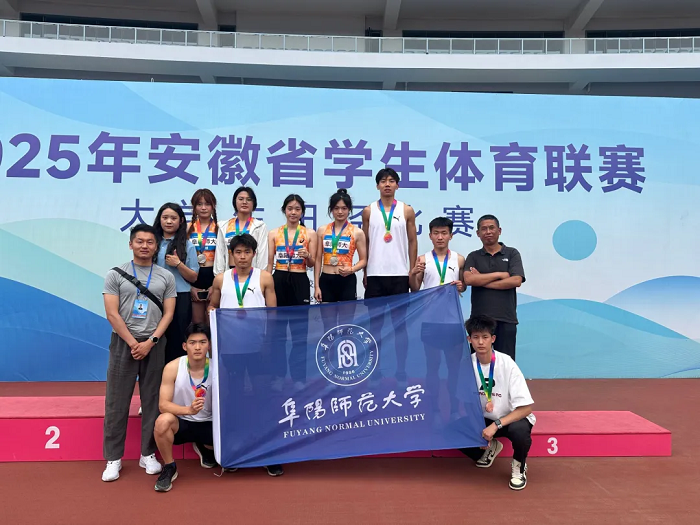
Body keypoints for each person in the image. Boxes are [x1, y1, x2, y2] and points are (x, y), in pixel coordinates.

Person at [101, 224, 176, 482]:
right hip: (125, 343)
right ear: (131, 244)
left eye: (150, 242)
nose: (145, 246)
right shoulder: (115, 274)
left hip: (154, 344)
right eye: (140, 241)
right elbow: (112, 313)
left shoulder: (165, 277)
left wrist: (151, 341)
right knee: (117, 401)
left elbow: (169, 313)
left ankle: (148, 453)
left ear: (156, 247)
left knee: (152, 400)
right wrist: (134, 343)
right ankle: (113, 458)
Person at [208, 233, 284, 477]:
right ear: (231, 255)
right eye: (238, 252)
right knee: (234, 399)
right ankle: (234, 452)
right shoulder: (221, 279)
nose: (242, 257)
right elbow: (213, 307)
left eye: (247, 252)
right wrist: (211, 311)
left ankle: (269, 453)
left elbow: (273, 313)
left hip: (258, 349)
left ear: (254, 254)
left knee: (263, 397)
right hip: (231, 349)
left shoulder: (265, 277)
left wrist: (268, 342)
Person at [460, 315, 535, 491]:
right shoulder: (466, 365)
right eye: (476, 337)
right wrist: (474, 429)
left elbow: (526, 408)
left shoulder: (507, 363)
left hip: (509, 419)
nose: (480, 342)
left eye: (485, 337)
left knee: (519, 431)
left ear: (493, 339)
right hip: (484, 419)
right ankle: (489, 449)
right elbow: (464, 402)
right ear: (469, 340)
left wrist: (496, 425)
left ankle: (519, 467)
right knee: (451, 427)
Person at [361, 167, 417, 386]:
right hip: (375, 275)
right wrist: (365, 271)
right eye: (383, 181)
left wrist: (412, 269)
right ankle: (374, 369)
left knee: (399, 327)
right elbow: (365, 242)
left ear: (397, 185)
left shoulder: (406, 210)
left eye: (391, 181)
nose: (387, 184)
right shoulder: (368, 211)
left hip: (399, 275)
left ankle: (401, 370)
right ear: (377, 185)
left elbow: (412, 241)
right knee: (374, 327)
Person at [408, 217, 465, 422]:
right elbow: (415, 288)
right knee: (432, 367)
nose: (440, 237)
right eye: (436, 233)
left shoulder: (459, 259)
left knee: (454, 369)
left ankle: (454, 409)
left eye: (444, 233)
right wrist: (413, 274)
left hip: (453, 322)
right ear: (430, 235)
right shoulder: (423, 259)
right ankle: (434, 409)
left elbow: (463, 285)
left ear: (451, 235)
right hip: (431, 322)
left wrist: (462, 286)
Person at [153, 323, 216, 492]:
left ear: (209, 345)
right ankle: (169, 467)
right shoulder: (173, 367)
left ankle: (206, 447)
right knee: (162, 421)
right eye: (192, 342)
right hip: (183, 423)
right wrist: (189, 410)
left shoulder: (218, 367)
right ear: (184, 346)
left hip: (210, 423)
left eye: (203, 342)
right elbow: (163, 405)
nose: (198, 347)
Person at [267, 194, 317, 392]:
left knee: (299, 333)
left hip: (300, 279)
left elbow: (313, 263)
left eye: (297, 209)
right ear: (284, 210)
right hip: (279, 278)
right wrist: (266, 284)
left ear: (302, 212)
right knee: (278, 333)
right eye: (290, 208)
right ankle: (278, 376)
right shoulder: (274, 233)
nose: (293, 212)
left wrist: (308, 256)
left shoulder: (310, 233)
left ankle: (298, 377)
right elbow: (269, 263)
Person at [462, 215, 525, 361]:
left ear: (499, 230)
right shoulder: (473, 256)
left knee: (506, 363)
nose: (488, 232)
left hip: (506, 319)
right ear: (478, 233)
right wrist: (500, 274)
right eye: (484, 229)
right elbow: (469, 279)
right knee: (478, 363)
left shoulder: (512, 253)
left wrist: (481, 280)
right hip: (479, 321)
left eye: (492, 228)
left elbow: (516, 280)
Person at [154, 203, 200, 364]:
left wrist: (178, 264)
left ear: (180, 221)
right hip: (155, 296)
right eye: (165, 217)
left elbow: (193, 277)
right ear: (159, 219)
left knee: (177, 339)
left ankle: (176, 374)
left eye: (173, 218)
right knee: (155, 337)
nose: (169, 221)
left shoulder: (187, 245)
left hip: (180, 296)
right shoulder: (152, 243)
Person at [313, 189, 367, 325]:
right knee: (328, 325)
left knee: (346, 324)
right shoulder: (322, 230)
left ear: (349, 210)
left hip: (346, 280)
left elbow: (363, 260)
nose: (340, 212)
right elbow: (318, 259)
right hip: (326, 280)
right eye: (336, 208)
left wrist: (352, 269)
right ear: (331, 209)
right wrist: (317, 286)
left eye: (344, 208)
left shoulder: (357, 232)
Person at [214, 186, 268, 274]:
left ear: (254, 203)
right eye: (241, 199)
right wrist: (220, 276)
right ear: (235, 202)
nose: (244, 202)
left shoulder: (260, 226)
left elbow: (262, 254)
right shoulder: (224, 226)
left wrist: (259, 276)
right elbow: (220, 253)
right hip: (229, 273)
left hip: (252, 274)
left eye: (249, 199)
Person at [188, 189, 218, 325]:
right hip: (194, 276)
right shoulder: (188, 228)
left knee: (213, 322)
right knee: (197, 322)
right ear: (194, 207)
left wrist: (216, 286)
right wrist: (190, 287)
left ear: (213, 206)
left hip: (214, 276)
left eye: (207, 204)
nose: (203, 208)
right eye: (199, 204)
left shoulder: (219, 228)